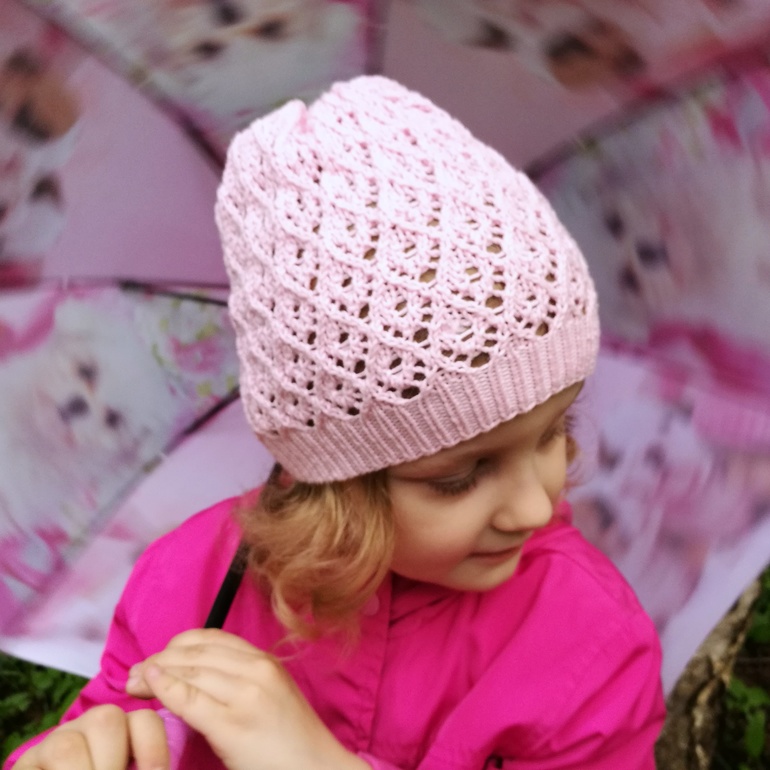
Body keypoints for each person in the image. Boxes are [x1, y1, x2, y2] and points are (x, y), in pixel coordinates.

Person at [7, 75, 665, 770]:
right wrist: (79, 754)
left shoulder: (585, 642)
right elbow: (115, 713)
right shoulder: (193, 582)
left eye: (554, 431)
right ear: (334, 476)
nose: (534, 506)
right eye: (462, 476)